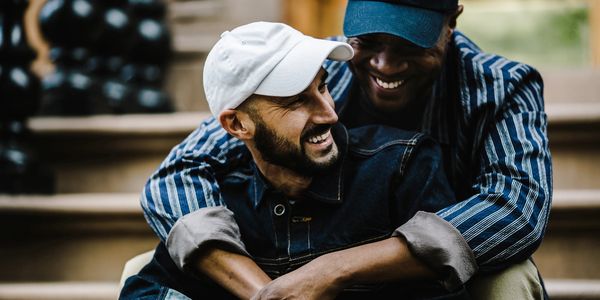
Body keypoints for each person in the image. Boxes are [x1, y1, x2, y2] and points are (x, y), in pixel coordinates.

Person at [140, 0, 552, 298]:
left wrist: (331, 270)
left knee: (511, 280)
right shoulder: (320, 66)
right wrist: (265, 292)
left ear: (452, 21)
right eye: (369, 40)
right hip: (314, 247)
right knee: (149, 269)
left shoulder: (500, 88)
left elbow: (515, 209)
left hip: (444, 271)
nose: (384, 65)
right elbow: (179, 174)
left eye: (410, 44)